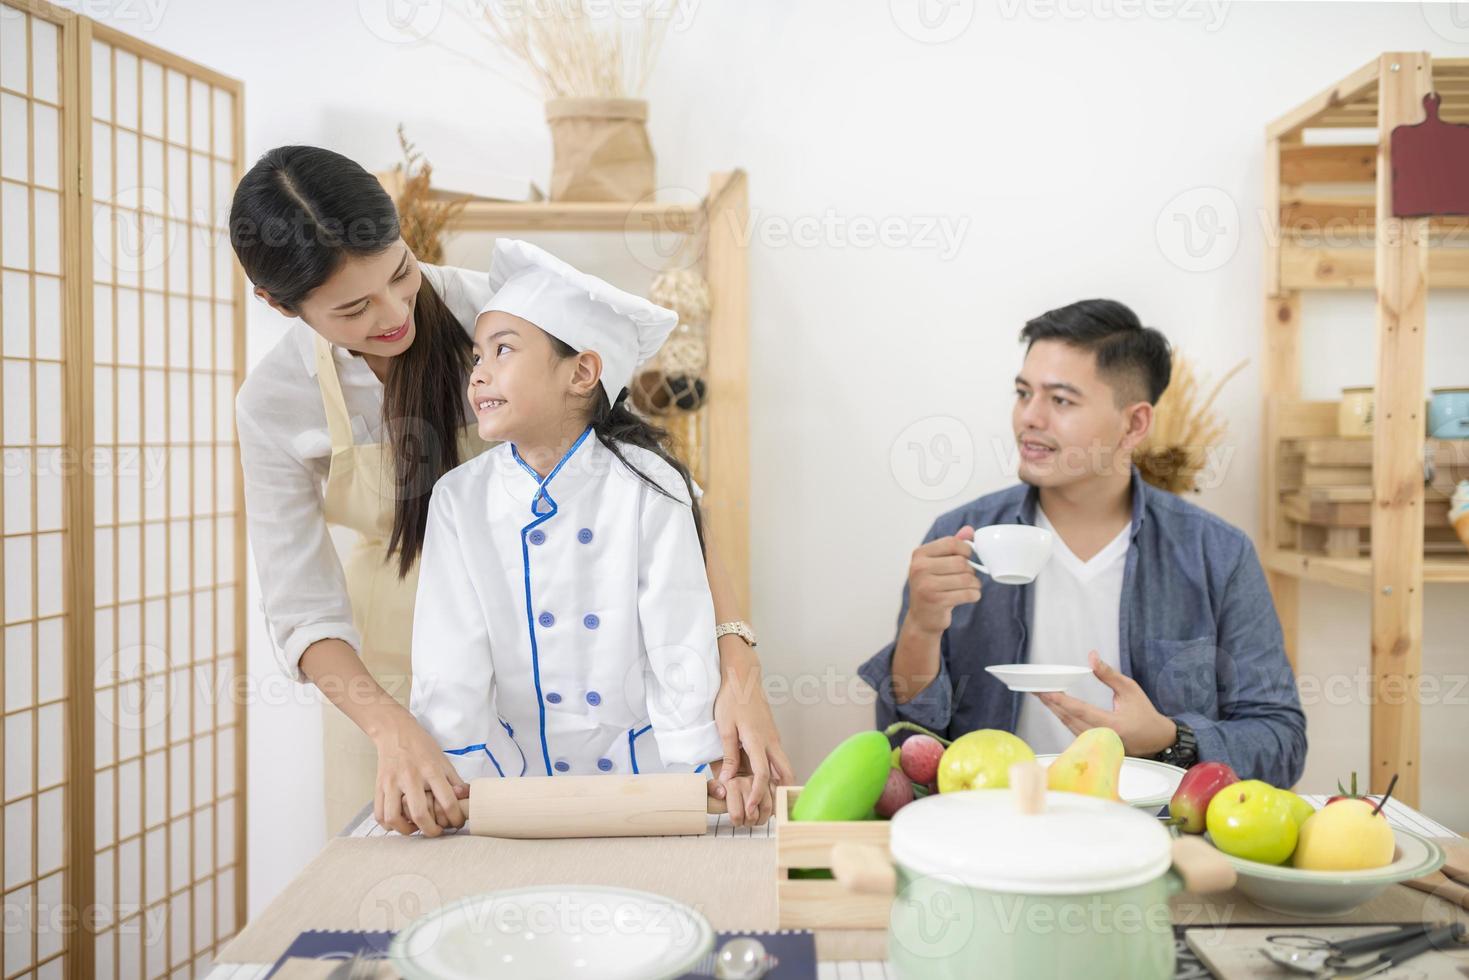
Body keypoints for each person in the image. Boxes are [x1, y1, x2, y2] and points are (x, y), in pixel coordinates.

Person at [230, 147, 790, 836]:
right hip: (381, 687)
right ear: (277, 303)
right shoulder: (275, 401)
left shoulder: (501, 314)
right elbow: (302, 608)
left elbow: (659, 490)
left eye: (400, 273)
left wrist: (738, 668)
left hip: (558, 684)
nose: (394, 311)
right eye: (352, 307)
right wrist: (392, 729)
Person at [857, 299, 1306, 786]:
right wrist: (920, 631)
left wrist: (1169, 738)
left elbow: (1280, 742)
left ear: (1133, 424)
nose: (1030, 417)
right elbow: (907, 750)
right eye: (1023, 392)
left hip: (1151, 834)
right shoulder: (960, 537)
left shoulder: (1216, 554)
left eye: (1061, 400)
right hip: (990, 827)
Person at [411, 240, 755, 805]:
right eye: (477, 357)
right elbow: (450, 661)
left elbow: (679, 638)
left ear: (582, 372)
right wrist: (455, 777)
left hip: (647, 785)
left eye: (503, 351)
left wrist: (706, 763)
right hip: (512, 788)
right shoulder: (458, 498)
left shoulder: (652, 486)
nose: (478, 375)